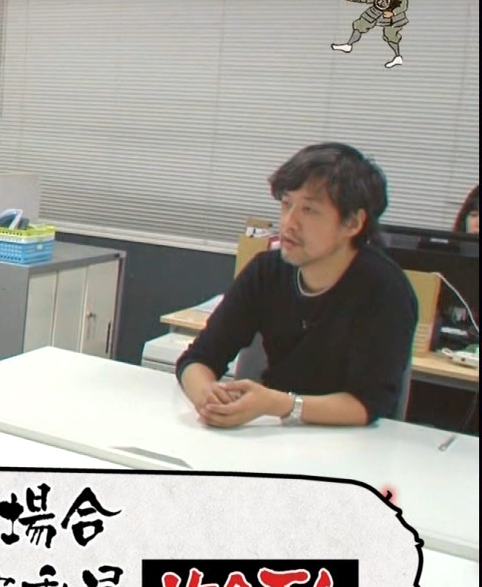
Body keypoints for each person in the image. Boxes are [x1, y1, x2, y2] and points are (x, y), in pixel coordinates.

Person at [175, 143, 417, 428]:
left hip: (351, 441)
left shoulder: (385, 290)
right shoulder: (266, 272)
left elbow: (368, 404)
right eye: (286, 204)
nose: (289, 223)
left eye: (309, 210)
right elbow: (198, 359)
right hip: (273, 432)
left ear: (352, 223)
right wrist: (207, 396)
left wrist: (282, 404)